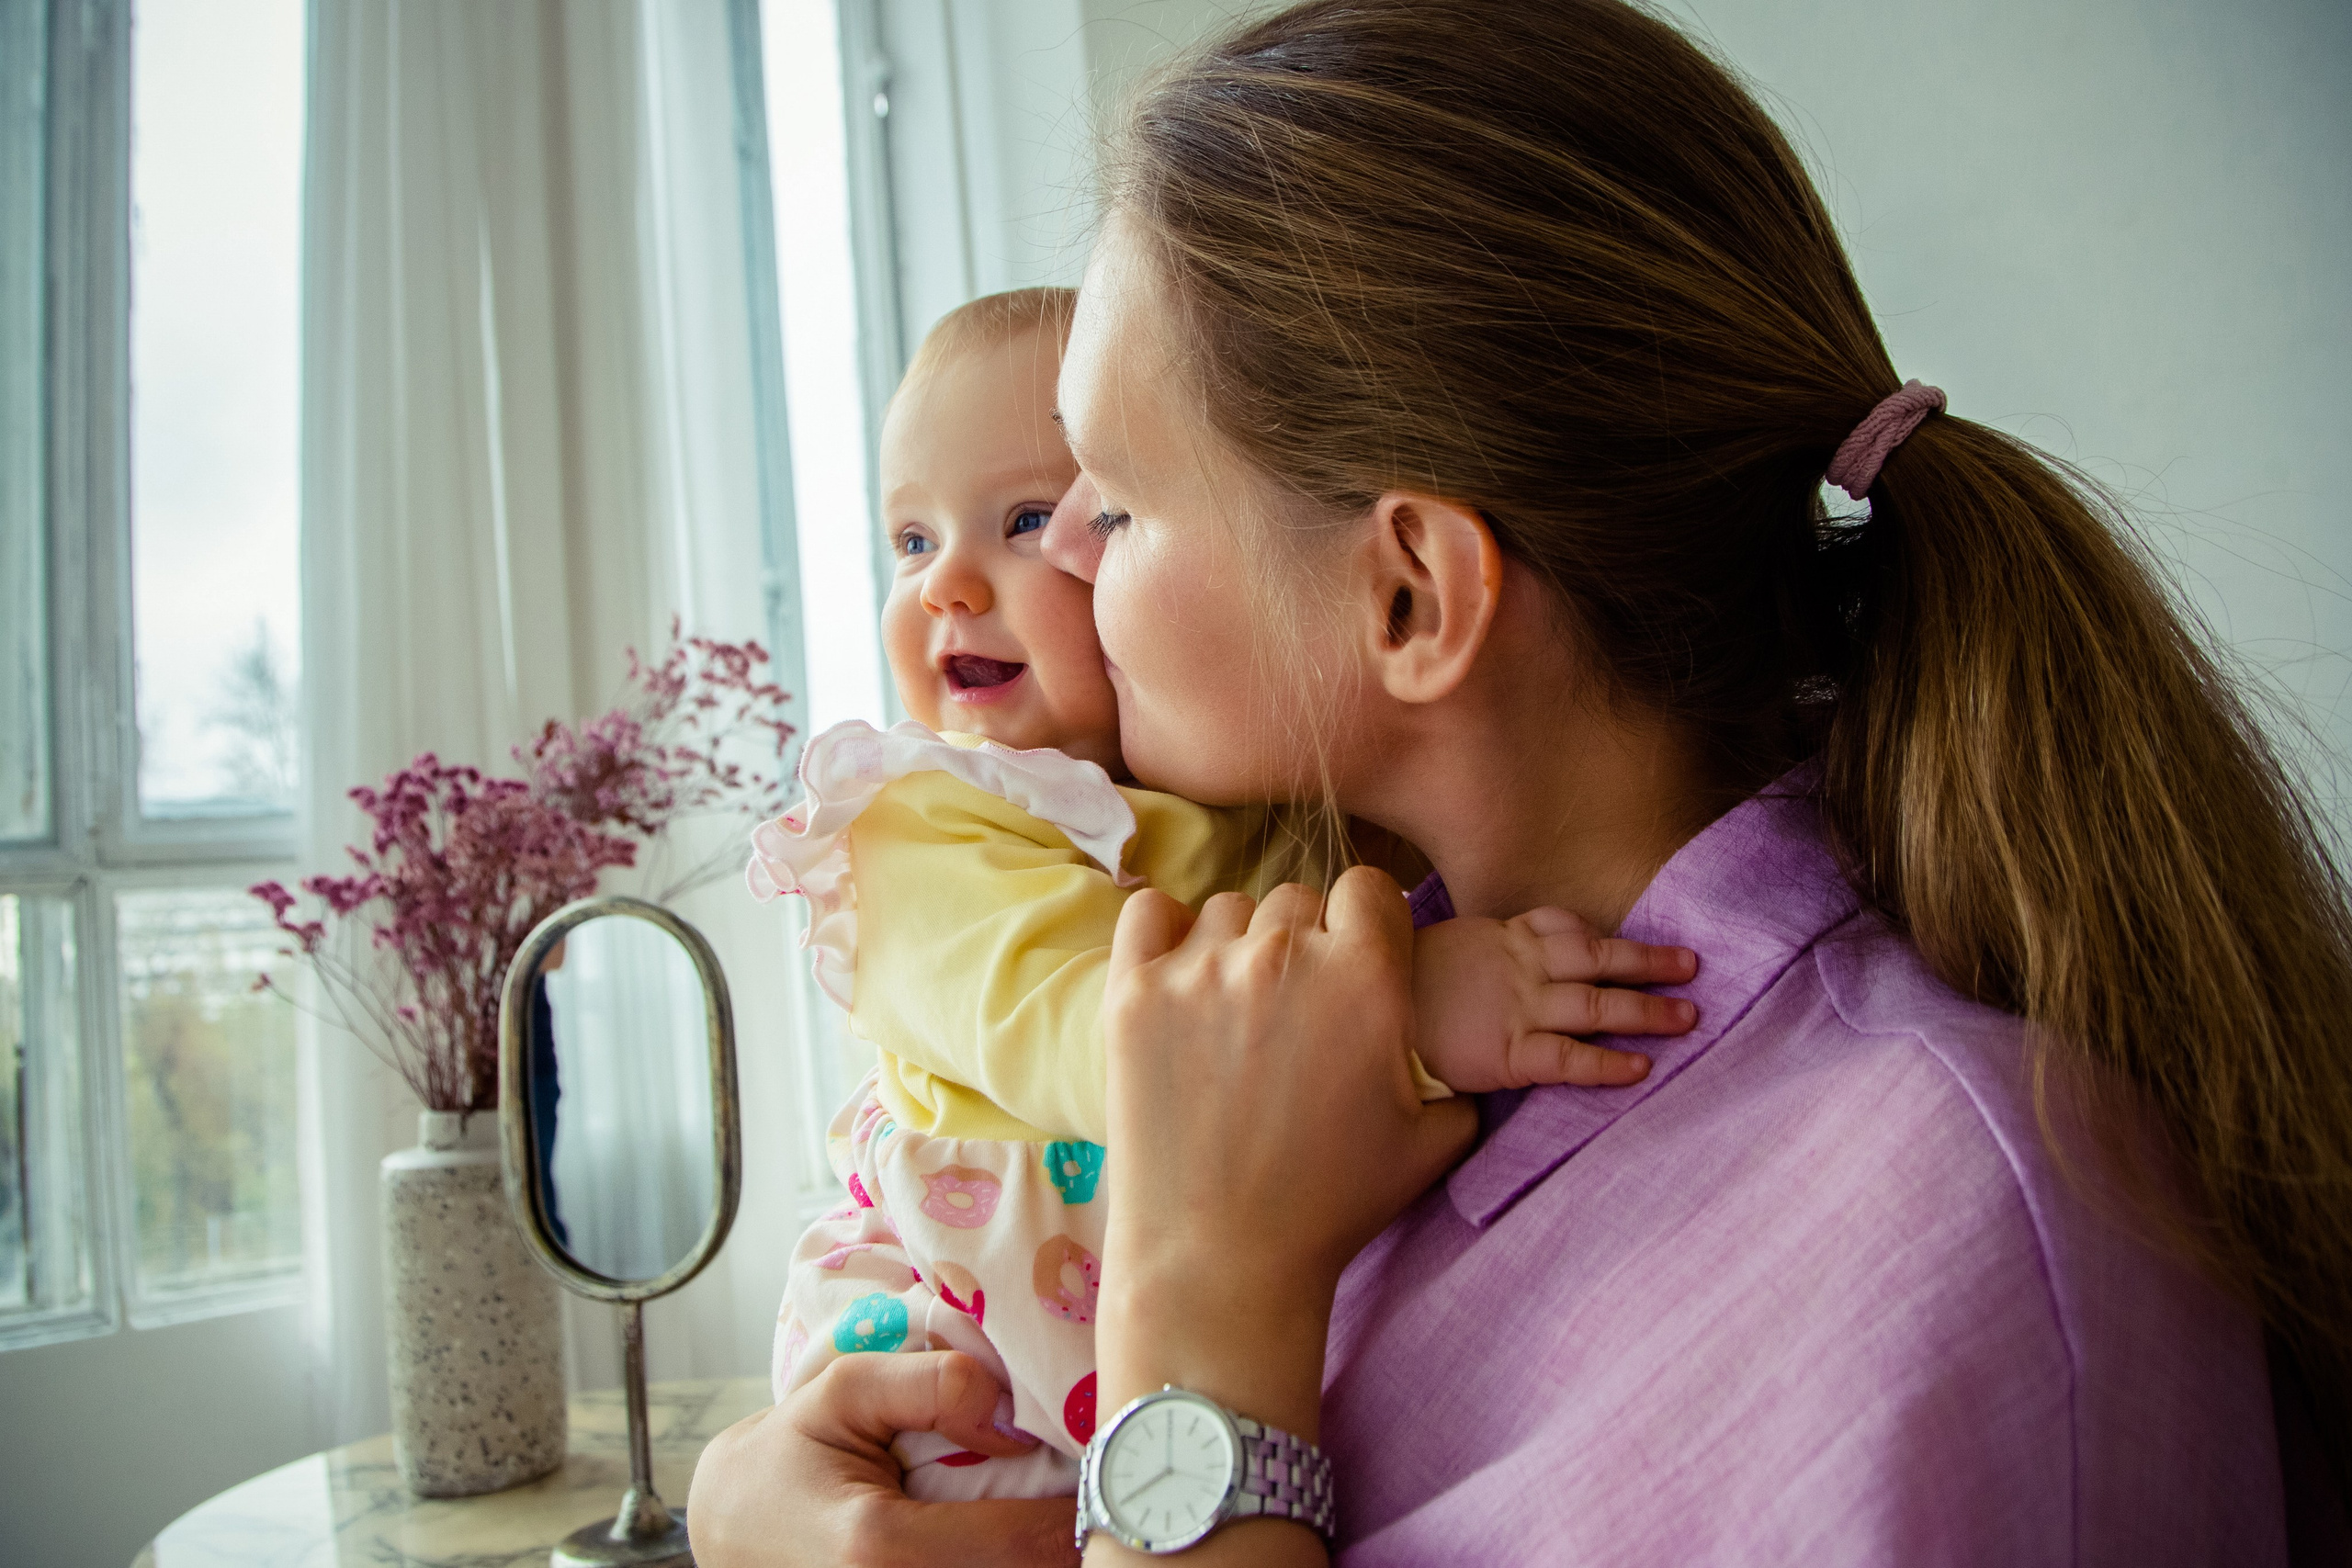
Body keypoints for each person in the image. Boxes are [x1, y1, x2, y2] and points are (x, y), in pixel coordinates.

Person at [691, 1, 2352, 1562]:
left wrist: (1205, 1312)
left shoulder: (1964, 1238)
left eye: (1112, 509)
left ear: (1410, 594)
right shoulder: (1326, 1003)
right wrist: (761, 1507)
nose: (1059, 580)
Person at [746, 286, 1694, 1504]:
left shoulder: (1256, 791)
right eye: (913, 542)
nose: (946, 589)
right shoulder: (918, 823)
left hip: (1155, 1415)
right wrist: (1402, 1005)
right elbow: (1121, 1036)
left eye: (1041, 517)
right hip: (960, 1383)